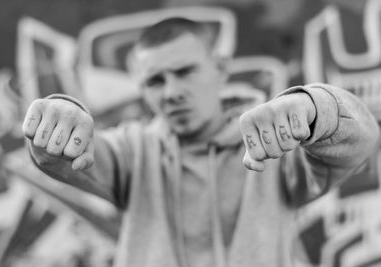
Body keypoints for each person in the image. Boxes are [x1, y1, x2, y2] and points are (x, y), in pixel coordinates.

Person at [21, 17, 379, 267]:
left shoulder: (275, 148)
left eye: (185, 72)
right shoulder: (134, 151)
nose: (172, 92)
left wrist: (315, 107)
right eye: (155, 81)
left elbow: (360, 141)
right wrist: (60, 120)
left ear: (220, 69)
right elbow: (70, 158)